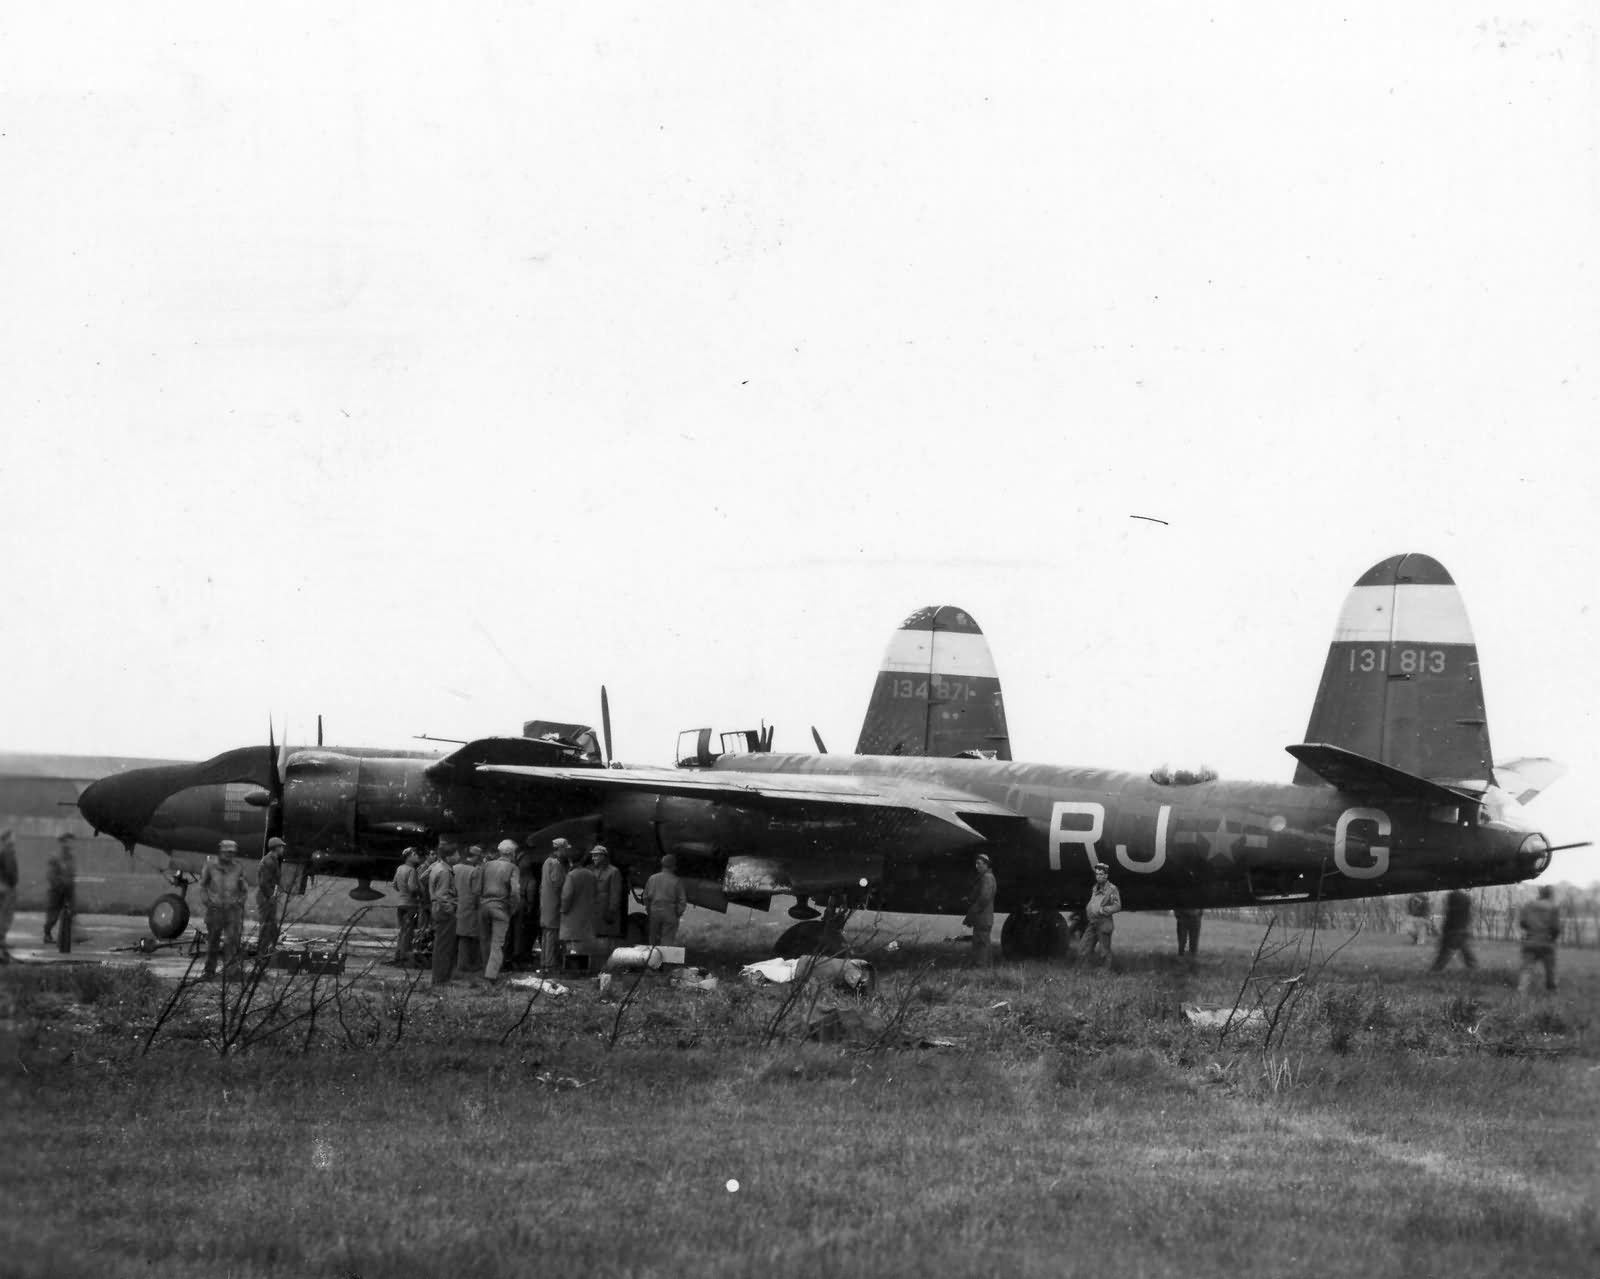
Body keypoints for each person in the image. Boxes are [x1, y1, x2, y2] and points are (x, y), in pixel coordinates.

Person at [198, 838, 249, 979]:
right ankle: (209, 972)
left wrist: (240, 902)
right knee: (213, 943)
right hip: (215, 910)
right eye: (227, 852)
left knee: (231, 942)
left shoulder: (238, 867)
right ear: (220, 851)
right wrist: (206, 901)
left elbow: (244, 888)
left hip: (232, 911)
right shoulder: (210, 866)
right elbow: (202, 885)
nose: (230, 855)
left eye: (232, 852)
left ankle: (231, 972)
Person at [478, 841, 519, 981]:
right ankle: (491, 976)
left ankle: (484, 970)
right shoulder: (512, 868)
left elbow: (478, 886)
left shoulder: (487, 865)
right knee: (497, 943)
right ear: (512, 853)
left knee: (485, 941)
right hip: (500, 907)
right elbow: (514, 892)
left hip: (484, 906)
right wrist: (512, 908)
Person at [1517, 885, 1562, 996]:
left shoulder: (1529, 905)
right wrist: (1552, 939)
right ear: (1550, 894)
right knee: (1550, 969)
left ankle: (1522, 992)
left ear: (1540, 894)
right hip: (1546, 943)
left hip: (1530, 942)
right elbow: (1555, 928)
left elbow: (1522, 923)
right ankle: (1552, 991)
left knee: (1526, 969)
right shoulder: (1553, 907)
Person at [559, 849, 598, 970]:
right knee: (584, 945)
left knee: (572, 946)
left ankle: (573, 971)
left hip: (572, 916)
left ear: (570, 861)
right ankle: (584, 969)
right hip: (587, 916)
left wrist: (563, 909)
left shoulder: (571, 875)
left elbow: (566, 896)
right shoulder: (591, 875)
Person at [428, 844, 460, 986]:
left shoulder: (436, 867)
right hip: (444, 911)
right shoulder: (445, 872)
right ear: (449, 856)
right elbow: (442, 896)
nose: (459, 857)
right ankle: (441, 979)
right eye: (456, 854)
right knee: (444, 946)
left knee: (441, 945)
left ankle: (439, 977)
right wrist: (450, 910)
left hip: (437, 909)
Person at [1079, 863, 1121, 969]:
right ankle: (1084, 970)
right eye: (1097, 874)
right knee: (1084, 947)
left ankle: (1105, 973)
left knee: (1104, 951)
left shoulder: (1112, 889)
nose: (1098, 876)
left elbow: (1117, 905)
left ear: (1106, 875)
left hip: (1104, 922)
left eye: (1101, 874)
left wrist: (1104, 910)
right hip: (1092, 922)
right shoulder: (1095, 888)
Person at [539, 838, 571, 972]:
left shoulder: (547, 861)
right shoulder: (556, 863)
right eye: (566, 849)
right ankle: (551, 964)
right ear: (561, 849)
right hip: (554, 903)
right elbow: (559, 884)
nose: (567, 852)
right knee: (552, 934)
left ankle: (545, 962)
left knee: (547, 933)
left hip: (546, 903)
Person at [642, 853, 687, 947]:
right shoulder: (676, 880)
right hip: (670, 913)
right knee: (667, 941)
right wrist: (677, 913)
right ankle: (664, 961)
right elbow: (682, 901)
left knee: (653, 941)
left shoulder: (652, 878)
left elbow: (645, 897)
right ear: (674, 867)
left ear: (662, 864)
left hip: (654, 912)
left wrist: (649, 910)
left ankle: (652, 960)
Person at [454, 846, 484, 975]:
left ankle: (454, 964)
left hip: (454, 906)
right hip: (469, 907)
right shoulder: (474, 871)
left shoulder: (454, 868)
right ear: (476, 857)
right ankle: (464, 965)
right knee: (466, 939)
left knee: (456, 936)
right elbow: (477, 892)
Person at [591, 845, 625, 959]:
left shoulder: (614, 871)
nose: (593, 858)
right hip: (595, 911)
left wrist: (612, 910)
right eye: (593, 856)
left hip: (607, 911)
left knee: (608, 938)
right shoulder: (592, 870)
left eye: (596, 856)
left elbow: (615, 893)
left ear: (604, 857)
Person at [43, 831, 77, 945]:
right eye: (67, 842)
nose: (69, 844)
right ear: (62, 843)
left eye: (71, 842)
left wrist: (70, 884)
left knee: (70, 914)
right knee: (53, 916)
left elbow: (71, 873)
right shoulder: (55, 857)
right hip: (57, 891)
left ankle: (66, 937)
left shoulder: (71, 857)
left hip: (68, 890)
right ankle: (47, 935)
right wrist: (58, 885)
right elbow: (50, 875)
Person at [963, 853, 996, 968]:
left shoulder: (987, 878)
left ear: (986, 865)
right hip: (983, 916)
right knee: (981, 941)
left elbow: (984, 897)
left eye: (979, 863)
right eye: (976, 863)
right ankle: (984, 965)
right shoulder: (986, 877)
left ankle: (981, 966)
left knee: (981, 942)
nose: (977, 866)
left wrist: (973, 910)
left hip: (983, 916)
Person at [1431, 888, 1477, 971]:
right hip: (1462, 929)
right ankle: (1474, 968)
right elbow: (1468, 916)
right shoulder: (1466, 898)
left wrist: (1444, 930)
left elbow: (1450, 915)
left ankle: (1435, 970)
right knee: (1467, 953)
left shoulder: (1452, 896)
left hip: (1452, 930)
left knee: (1443, 954)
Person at [391, 848, 422, 967]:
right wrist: (418, 894)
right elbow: (412, 887)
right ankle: (404, 958)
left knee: (402, 930)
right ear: (408, 857)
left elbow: (394, 885)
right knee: (409, 932)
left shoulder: (399, 868)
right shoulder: (411, 870)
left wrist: (402, 892)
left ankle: (398, 955)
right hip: (410, 905)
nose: (417, 856)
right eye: (415, 854)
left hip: (400, 903)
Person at [256, 835, 285, 952]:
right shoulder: (268, 861)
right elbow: (263, 882)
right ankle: (261, 952)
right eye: (281, 847)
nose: (283, 849)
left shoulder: (274, 860)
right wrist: (270, 896)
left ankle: (274, 947)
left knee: (272, 923)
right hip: (265, 897)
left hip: (269, 896)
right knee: (266, 925)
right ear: (276, 848)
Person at [0, 829, 19, 963]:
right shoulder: (7, 852)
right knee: (5, 914)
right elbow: (9, 870)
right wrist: (12, 883)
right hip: (7, 886)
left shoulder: (6, 851)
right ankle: (1, 939)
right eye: (12, 836)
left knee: (4, 913)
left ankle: (2, 939)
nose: (14, 838)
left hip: (6, 885)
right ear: (7, 838)